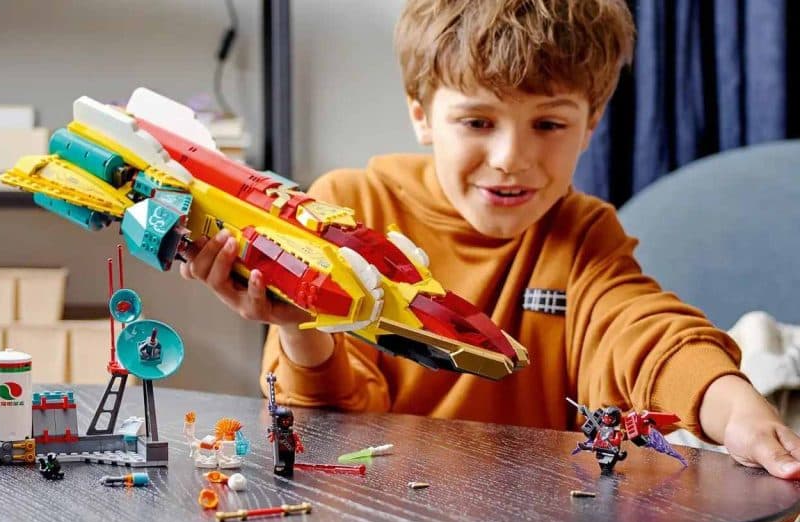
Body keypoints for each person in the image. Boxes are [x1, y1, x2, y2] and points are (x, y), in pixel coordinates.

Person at [179, 0, 800, 484]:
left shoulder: (582, 235)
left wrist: (735, 409)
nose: (511, 158)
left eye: (549, 124)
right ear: (421, 113)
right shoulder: (351, 208)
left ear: (593, 123)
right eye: (478, 121)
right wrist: (300, 327)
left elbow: (642, 332)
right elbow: (328, 428)